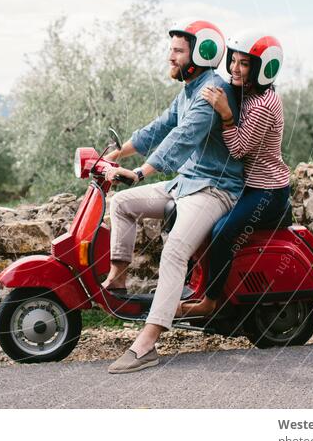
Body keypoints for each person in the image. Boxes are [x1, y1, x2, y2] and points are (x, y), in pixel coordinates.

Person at [102, 19, 243, 374]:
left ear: (201, 53)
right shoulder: (189, 90)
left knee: (176, 249)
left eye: (178, 51)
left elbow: (182, 138)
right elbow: (161, 126)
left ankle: (147, 344)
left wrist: (138, 173)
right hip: (188, 181)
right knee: (121, 203)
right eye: (171, 50)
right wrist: (119, 154)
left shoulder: (212, 93)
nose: (170, 57)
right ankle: (118, 277)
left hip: (215, 189)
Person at [176, 31, 291, 318]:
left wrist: (226, 115)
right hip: (246, 186)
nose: (235, 69)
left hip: (267, 193)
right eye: (234, 61)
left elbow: (239, 149)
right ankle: (191, 283)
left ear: (263, 69)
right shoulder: (245, 93)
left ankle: (211, 301)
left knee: (221, 232)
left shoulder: (264, 104)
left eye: (245, 64)